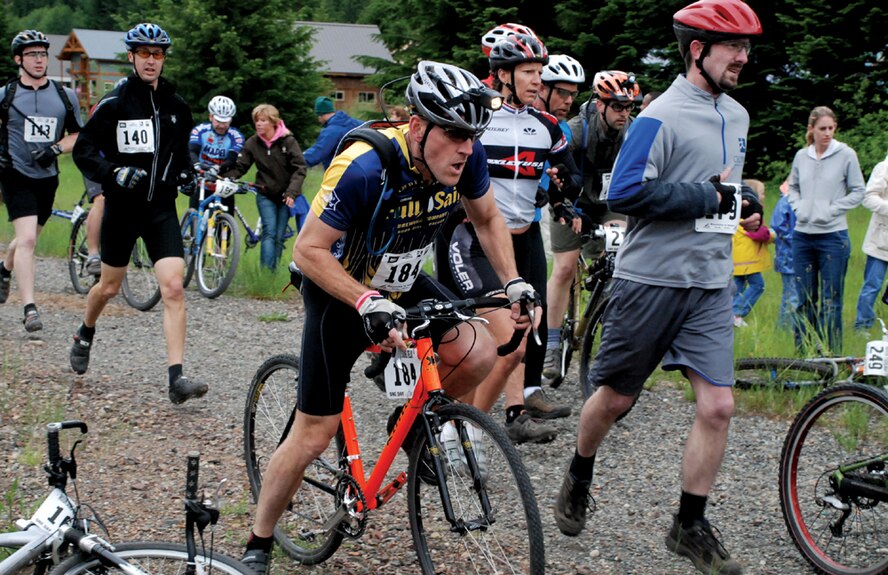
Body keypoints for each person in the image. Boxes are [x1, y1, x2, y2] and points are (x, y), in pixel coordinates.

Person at [239, 60, 539, 575]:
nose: (466, 148)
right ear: (419, 127)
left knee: (479, 348)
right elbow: (309, 249)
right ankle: (258, 542)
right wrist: (364, 301)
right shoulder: (364, 166)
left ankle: (411, 423)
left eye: (473, 136)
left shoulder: (465, 160)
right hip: (341, 288)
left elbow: (488, 217)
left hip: (398, 281)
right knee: (315, 434)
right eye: (454, 134)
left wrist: (510, 281)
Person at [554, 2, 763, 574]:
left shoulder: (738, 116)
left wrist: (745, 204)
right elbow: (624, 193)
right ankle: (579, 470)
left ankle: (688, 524)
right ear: (697, 49)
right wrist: (708, 198)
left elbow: (725, 189)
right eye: (732, 47)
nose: (743, 57)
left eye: (747, 47)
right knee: (617, 400)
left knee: (718, 405)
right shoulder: (659, 115)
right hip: (651, 282)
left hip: (710, 284)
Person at [444, 33, 583, 442]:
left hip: (524, 242)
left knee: (518, 343)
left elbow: (568, 176)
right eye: (529, 72)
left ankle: (468, 430)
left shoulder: (547, 125)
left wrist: (562, 191)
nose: (538, 80)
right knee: (498, 339)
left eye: (540, 72)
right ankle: (456, 427)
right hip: (473, 240)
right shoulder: (479, 118)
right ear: (503, 73)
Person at [68, 23, 207, 405]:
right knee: (109, 287)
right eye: (143, 53)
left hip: (161, 210)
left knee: (174, 288)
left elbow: (182, 155)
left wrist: (185, 172)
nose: (151, 60)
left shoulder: (177, 107)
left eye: (157, 54)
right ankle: (85, 330)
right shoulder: (114, 104)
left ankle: (176, 379)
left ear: (164, 59)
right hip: (123, 210)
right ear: (131, 56)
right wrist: (114, 172)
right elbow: (84, 152)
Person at [544, 70, 640, 384]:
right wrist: (565, 206)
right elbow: (554, 172)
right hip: (573, 198)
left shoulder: (632, 132)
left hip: (608, 201)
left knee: (618, 260)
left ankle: (603, 330)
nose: (624, 114)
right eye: (618, 107)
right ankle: (552, 341)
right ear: (600, 105)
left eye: (629, 107)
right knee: (565, 267)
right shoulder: (576, 131)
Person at [0, 29, 81, 332]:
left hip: (48, 176)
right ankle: (30, 308)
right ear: (19, 59)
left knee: (26, 239)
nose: (39, 59)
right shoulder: (6, 95)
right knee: (29, 240)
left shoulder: (64, 95)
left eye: (43, 54)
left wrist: (56, 149)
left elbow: (78, 134)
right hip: (14, 173)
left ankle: (5, 268)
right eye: (32, 54)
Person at [787, 106, 865, 353]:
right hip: (802, 237)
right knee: (804, 301)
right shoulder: (801, 156)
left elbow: (858, 191)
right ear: (812, 129)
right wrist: (799, 208)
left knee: (831, 302)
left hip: (833, 236)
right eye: (822, 128)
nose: (828, 133)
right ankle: (805, 355)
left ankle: (832, 356)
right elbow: (792, 186)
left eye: (831, 128)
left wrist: (831, 210)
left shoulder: (846, 155)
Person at [222, 104, 307, 270]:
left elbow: (300, 168)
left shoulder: (288, 142)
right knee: (269, 231)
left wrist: (292, 192)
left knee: (279, 235)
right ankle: (266, 272)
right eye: (256, 121)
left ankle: (273, 274)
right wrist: (225, 178)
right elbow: (241, 166)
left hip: (286, 196)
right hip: (264, 193)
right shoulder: (253, 143)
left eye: (263, 120)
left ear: (273, 122)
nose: (258, 124)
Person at [188, 95, 245, 213]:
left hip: (222, 180)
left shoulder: (236, 136)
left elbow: (231, 159)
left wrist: (217, 168)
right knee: (196, 217)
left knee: (226, 224)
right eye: (219, 121)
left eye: (226, 121)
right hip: (202, 178)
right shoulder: (200, 131)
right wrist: (197, 165)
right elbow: (192, 151)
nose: (222, 126)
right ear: (211, 117)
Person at [731, 181, 773, 327]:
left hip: (736, 259)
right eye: (762, 192)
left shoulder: (736, 208)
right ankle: (736, 312)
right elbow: (758, 234)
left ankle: (728, 314)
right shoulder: (750, 211)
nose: (764, 196)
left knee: (738, 287)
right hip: (748, 260)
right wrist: (773, 235)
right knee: (758, 285)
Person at [855, 151, 888, 331]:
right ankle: (862, 326)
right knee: (872, 286)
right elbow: (868, 198)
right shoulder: (883, 168)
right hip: (881, 241)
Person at [302, 96, 362, 171]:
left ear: (320, 115)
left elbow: (318, 152)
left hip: (341, 173)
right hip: (362, 170)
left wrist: (299, 159)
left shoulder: (331, 131)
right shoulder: (357, 123)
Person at [771, 178, 797, 330]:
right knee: (791, 295)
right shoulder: (785, 202)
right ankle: (786, 328)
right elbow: (778, 226)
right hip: (788, 256)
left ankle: (788, 327)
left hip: (797, 256)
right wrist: (797, 241)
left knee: (793, 294)